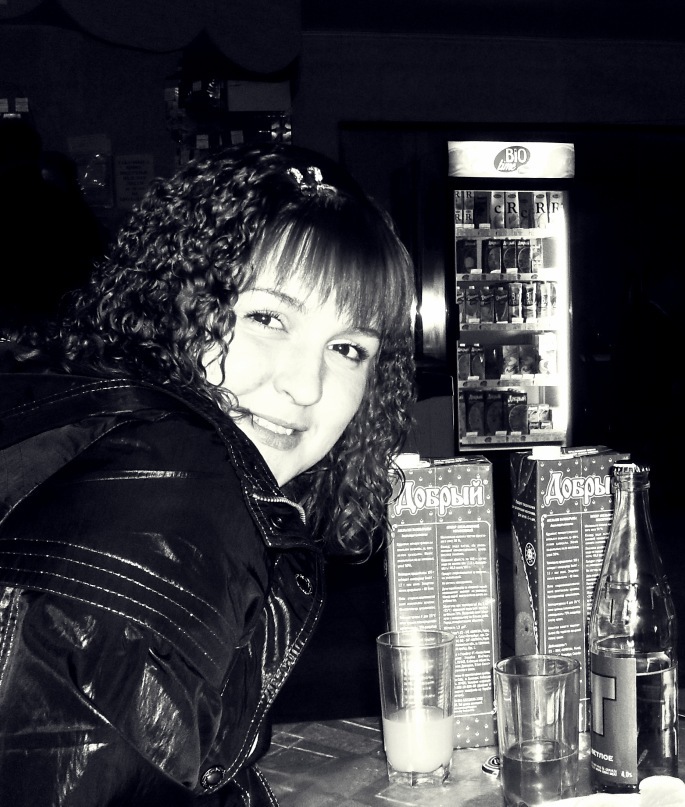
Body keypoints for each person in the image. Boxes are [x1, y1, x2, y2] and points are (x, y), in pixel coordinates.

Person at [0, 143, 416, 806]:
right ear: (176, 302)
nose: (306, 386)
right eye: (267, 318)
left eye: (347, 348)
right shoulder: (182, 491)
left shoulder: (108, 430)